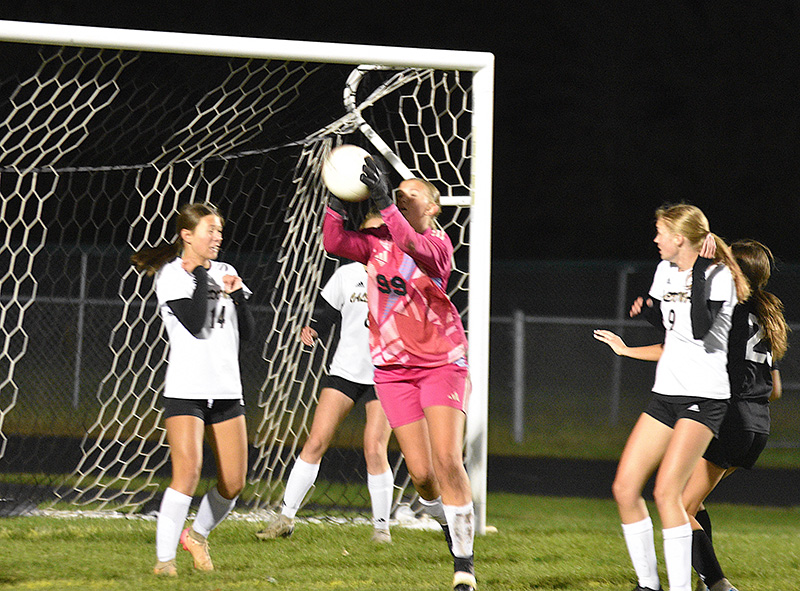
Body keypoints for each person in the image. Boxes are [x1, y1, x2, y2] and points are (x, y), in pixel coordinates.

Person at [594, 239, 787, 591]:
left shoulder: (730, 309)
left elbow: (681, 348)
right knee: (691, 502)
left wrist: (625, 351)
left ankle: (717, 583)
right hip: (757, 424)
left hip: (729, 418)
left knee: (676, 503)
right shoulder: (766, 315)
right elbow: (774, 389)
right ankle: (704, 580)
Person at [321, 156, 476, 591]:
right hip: (392, 369)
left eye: (411, 195)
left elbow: (414, 246)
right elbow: (334, 240)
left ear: (433, 208)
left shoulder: (438, 245)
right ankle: (450, 524)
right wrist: (340, 191)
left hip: (442, 362)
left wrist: (388, 203)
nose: (400, 198)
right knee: (423, 476)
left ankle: (464, 566)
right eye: (396, 192)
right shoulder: (376, 243)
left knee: (447, 460)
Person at [606, 203, 749, 591]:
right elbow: (669, 324)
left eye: (660, 232)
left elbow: (701, 330)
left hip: (703, 397)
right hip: (665, 392)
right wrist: (648, 308)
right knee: (624, 487)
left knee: (667, 493)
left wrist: (698, 272)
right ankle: (648, 585)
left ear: (679, 237)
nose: (655, 239)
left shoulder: (718, 276)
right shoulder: (664, 270)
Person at [131, 202, 254, 577]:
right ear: (187, 235)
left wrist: (238, 296)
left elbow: (248, 335)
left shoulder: (227, 271)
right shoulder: (171, 276)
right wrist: (201, 277)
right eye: (210, 231)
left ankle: (197, 535)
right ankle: (164, 561)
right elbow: (196, 323)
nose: (218, 237)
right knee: (188, 472)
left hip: (227, 389)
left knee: (234, 483)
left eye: (219, 231)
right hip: (187, 389)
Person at [255, 212, 395, 543]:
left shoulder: (399, 275)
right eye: (370, 234)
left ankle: (381, 529)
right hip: (346, 370)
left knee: (374, 447)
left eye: (383, 234)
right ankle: (286, 518)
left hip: (385, 372)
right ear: (361, 239)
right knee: (316, 441)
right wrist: (314, 329)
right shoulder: (346, 276)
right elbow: (326, 312)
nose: (377, 240)